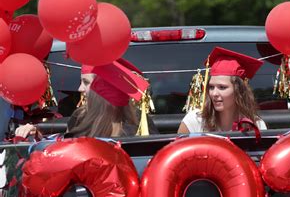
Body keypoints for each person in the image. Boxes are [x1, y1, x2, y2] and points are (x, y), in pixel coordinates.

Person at [15, 58, 158, 138]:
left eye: (86, 82)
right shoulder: (80, 119)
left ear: (105, 90)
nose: (79, 89)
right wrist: (37, 136)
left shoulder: (141, 125)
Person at [178, 47, 267, 133]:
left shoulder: (256, 125)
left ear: (238, 91)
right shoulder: (195, 121)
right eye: (211, 87)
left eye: (222, 87)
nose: (214, 93)